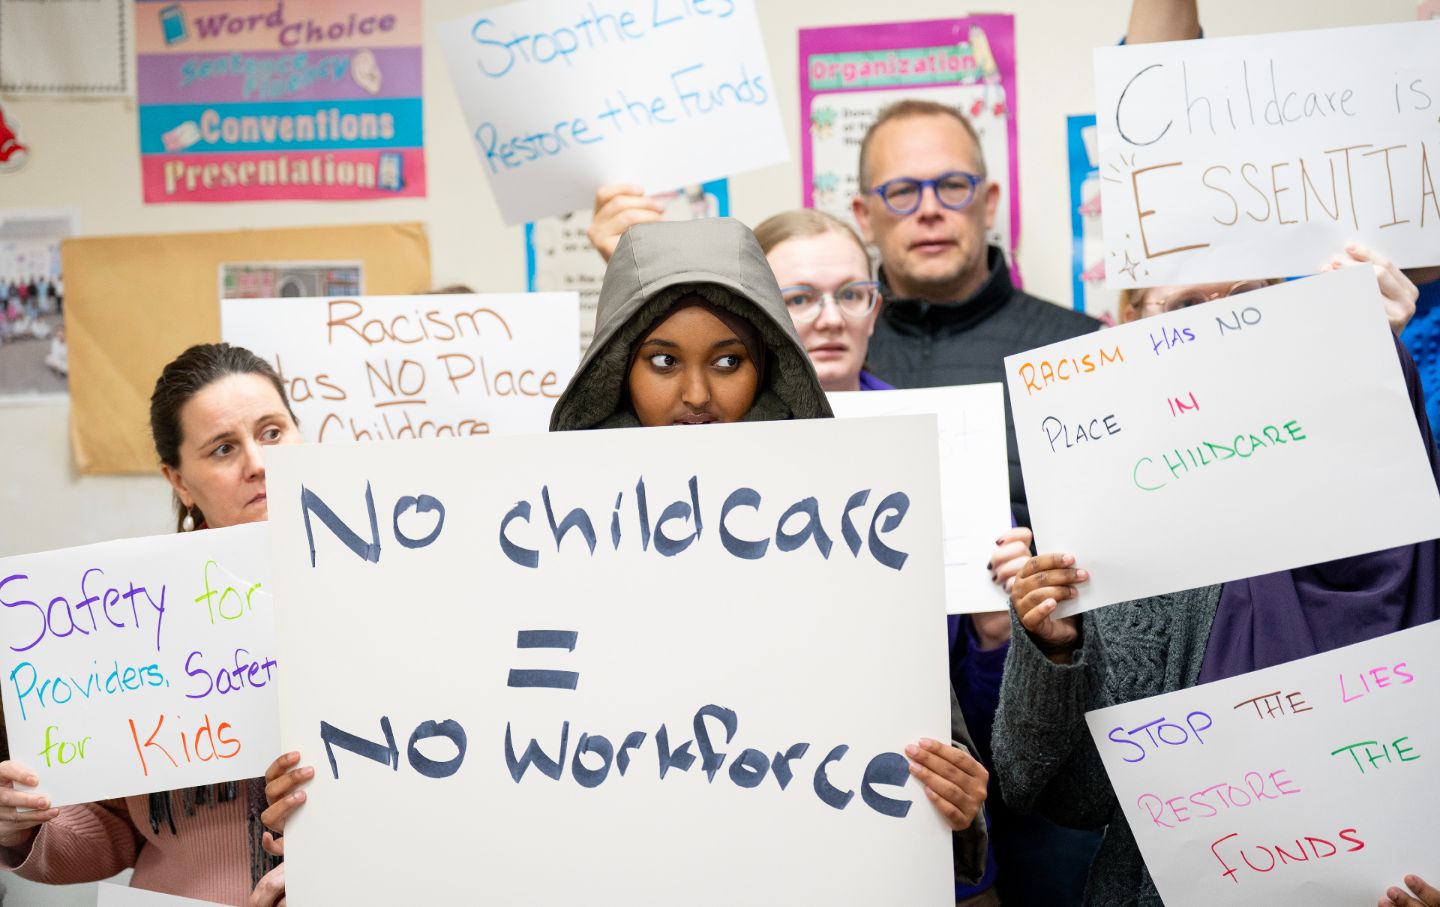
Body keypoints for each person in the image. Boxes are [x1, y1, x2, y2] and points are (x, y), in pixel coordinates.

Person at [263, 218, 995, 890]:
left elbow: (924, 764)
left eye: (729, 359)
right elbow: (462, 744)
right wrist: (332, 807)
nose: (697, 393)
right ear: (619, 365)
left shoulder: (851, 529)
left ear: (768, 362)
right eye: (664, 359)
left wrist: (954, 804)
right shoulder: (529, 541)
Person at [992, 263, 1436, 906]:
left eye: (1249, 298)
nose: (1214, 324)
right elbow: (1069, 798)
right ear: (1130, 329)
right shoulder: (1117, 533)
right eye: (1184, 306)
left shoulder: (1407, 501)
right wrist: (1057, 651)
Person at [0, 343, 297, 905]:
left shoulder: (389, 585)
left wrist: (338, 848)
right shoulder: (134, 615)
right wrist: (22, 828)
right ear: (179, 480)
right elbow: (111, 833)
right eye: (223, 448)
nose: (258, 462)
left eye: (274, 432)